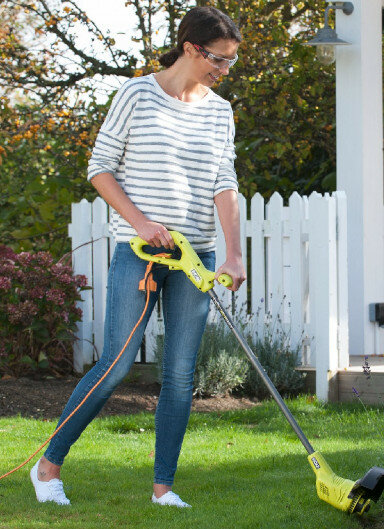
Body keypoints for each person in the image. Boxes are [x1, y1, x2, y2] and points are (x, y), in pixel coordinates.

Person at [29, 6, 246, 508]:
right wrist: (142, 223)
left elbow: (224, 183)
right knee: (117, 364)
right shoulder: (136, 94)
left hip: (196, 255)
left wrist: (233, 254)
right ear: (192, 48)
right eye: (219, 60)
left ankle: (163, 489)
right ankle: (47, 468)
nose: (224, 70)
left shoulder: (220, 111)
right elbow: (101, 168)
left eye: (230, 62)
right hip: (141, 249)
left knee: (180, 374)